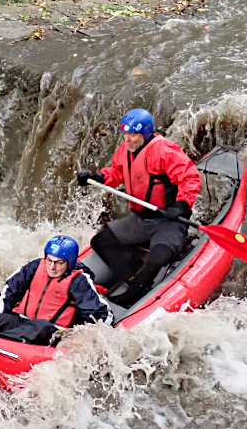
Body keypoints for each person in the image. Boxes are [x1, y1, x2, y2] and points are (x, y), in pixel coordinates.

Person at [77, 108, 201, 308]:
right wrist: (98, 177)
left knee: (158, 257)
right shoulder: (126, 149)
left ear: (145, 133)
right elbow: (117, 172)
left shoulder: (164, 150)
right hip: (141, 219)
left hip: (169, 221)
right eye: (125, 134)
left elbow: (190, 178)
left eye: (133, 135)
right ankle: (134, 279)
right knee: (101, 241)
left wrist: (181, 205)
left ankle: (134, 293)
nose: (127, 139)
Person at [0, 235, 111, 344]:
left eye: (59, 263)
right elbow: (9, 291)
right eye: (49, 260)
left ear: (70, 263)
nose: (52, 267)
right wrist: (2, 318)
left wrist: (79, 335)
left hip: (52, 332)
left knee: (42, 326)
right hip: (23, 321)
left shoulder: (79, 281)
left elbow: (103, 316)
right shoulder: (35, 266)